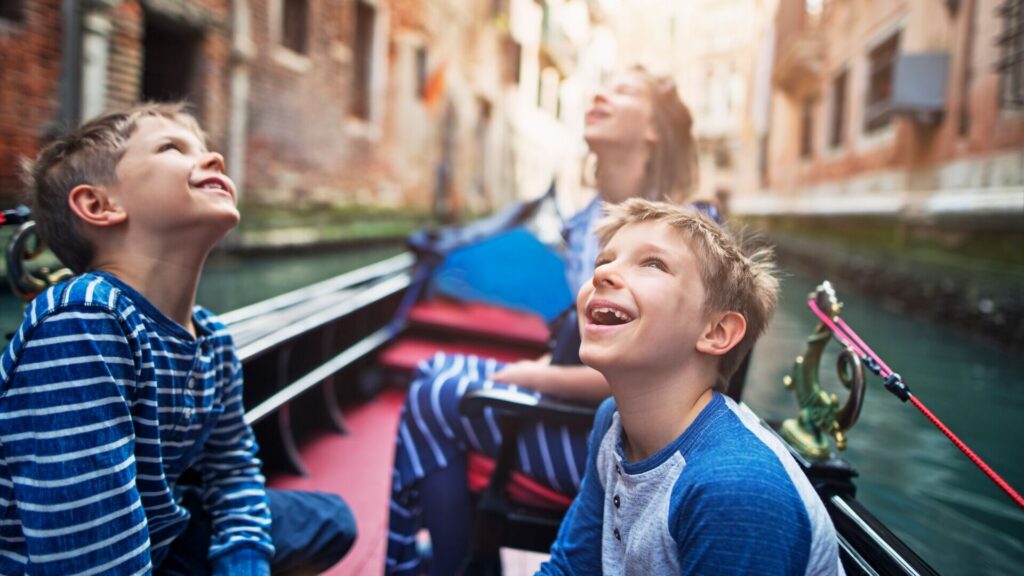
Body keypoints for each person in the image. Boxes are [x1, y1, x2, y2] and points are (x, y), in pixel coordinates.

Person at [0, 103, 356, 575]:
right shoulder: (82, 322)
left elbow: (231, 465)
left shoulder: (212, 337)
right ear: (99, 205)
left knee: (332, 521)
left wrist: (244, 555)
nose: (215, 160)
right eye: (174, 147)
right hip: (75, 558)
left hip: (162, 530)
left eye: (206, 149)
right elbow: (89, 559)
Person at [386, 65, 712, 576]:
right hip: (576, 410)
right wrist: (537, 369)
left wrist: (532, 376)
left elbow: (642, 375)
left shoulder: (687, 237)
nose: (601, 92)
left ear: (654, 129)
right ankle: (447, 551)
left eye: (622, 89)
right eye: (602, 85)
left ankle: (446, 562)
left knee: (434, 395)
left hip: (616, 440)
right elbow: (586, 339)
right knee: (433, 371)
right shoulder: (589, 224)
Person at [537, 198, 843, 575]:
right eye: (604, 261)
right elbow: (572, 568)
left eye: (653, 263)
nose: (602, 274)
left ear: (716, 332)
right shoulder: (613, 423)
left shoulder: (732, 489)